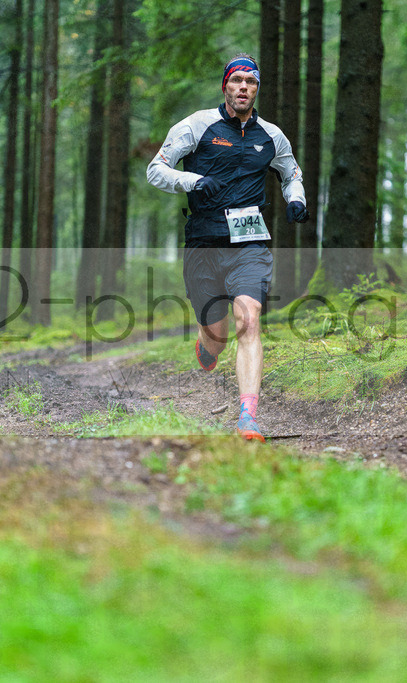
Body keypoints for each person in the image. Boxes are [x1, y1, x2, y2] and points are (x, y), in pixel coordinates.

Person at [146, 53, 309, 442]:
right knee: (217, 334)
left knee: (249, 320)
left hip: (250, 241)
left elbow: (291, 173)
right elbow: (156, 169)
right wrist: (193, 181)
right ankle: (207, 344)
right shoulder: (196, 125)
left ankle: (248, 416)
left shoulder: (271, 135)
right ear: (225, 86)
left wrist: (296, 199)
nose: (243, 88)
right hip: (204, 241)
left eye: (251, 83)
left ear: (256, 90)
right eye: (237, 81)